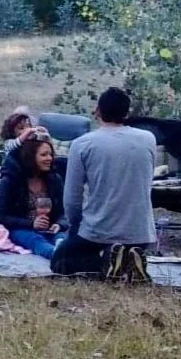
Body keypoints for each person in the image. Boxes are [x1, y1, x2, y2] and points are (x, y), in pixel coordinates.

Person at [52, 87, 156, 282]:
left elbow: (72, 198)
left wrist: (75, 225)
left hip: (98, 232)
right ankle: (129, 259)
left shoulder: (83, 144)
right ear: (127, 113)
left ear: (98, 110)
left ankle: (107, 261)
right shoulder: (148, 139)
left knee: (60, 261)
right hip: (140, 234)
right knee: (114, 245)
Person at [0, 134, 65, 259]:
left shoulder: (54, 180)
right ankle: (57, 256)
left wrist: (59, 224)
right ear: (30, 157)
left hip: (50, 229)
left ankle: (67, 252)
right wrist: (31, 223)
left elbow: (64, 211)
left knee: (64, 238)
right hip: (21, 228)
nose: (49, 158)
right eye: (44, 155)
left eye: (51, 154)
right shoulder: (11, 181)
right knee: (35, 241)